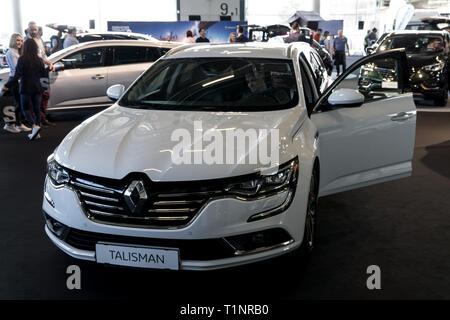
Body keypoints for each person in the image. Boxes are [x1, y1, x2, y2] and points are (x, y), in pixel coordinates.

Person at [4, 39, 47, 140]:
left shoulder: (22, 59)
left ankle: (34, 127)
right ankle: (36, 130)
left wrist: (7, 85)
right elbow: (43, 75)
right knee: (37, 110)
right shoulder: (40, 60)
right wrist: (45, 88)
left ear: (25, 47)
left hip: (25, 88)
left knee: (25, 109)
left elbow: (17, 75)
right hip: (37, 88)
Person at [2, 34, 31, 133]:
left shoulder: (18, 52)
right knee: (16, 103)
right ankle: (10, 125)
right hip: (15, 80)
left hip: (18, 79)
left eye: (21, 41)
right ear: (13, 40)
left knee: (19, 103)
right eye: (17, 40)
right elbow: (16, 69)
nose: (19, 42)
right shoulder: (11, 52)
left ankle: (19, 124)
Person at [27, 22, 54, 127]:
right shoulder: (27, 41)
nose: (34, 31)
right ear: (28, 30)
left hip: (44, 70)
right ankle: (37, 120)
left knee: (45, 95)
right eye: (32, 29)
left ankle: (42, 117)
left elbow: (43, 55)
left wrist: (50, 63)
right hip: (35, 71)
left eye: (35, 29)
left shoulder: (40, 39)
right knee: (36, 96)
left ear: (37, 30)